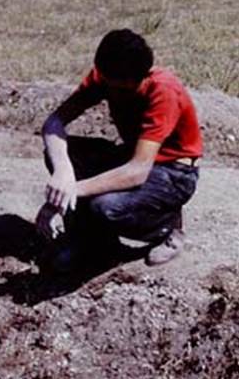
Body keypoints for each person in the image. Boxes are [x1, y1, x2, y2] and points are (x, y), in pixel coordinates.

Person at [36, 29, 202, 273]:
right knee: (63, 154)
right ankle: (94, 243)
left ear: (136, 78)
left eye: (121, 87)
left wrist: (67, 193)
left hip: (173, 172)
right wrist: (62, 172)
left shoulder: (163, 91)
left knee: (105, 206)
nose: (111, 90)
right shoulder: (106, 75)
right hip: (133, 157)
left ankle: (167, 227)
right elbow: (54, 124)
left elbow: (137, 171)